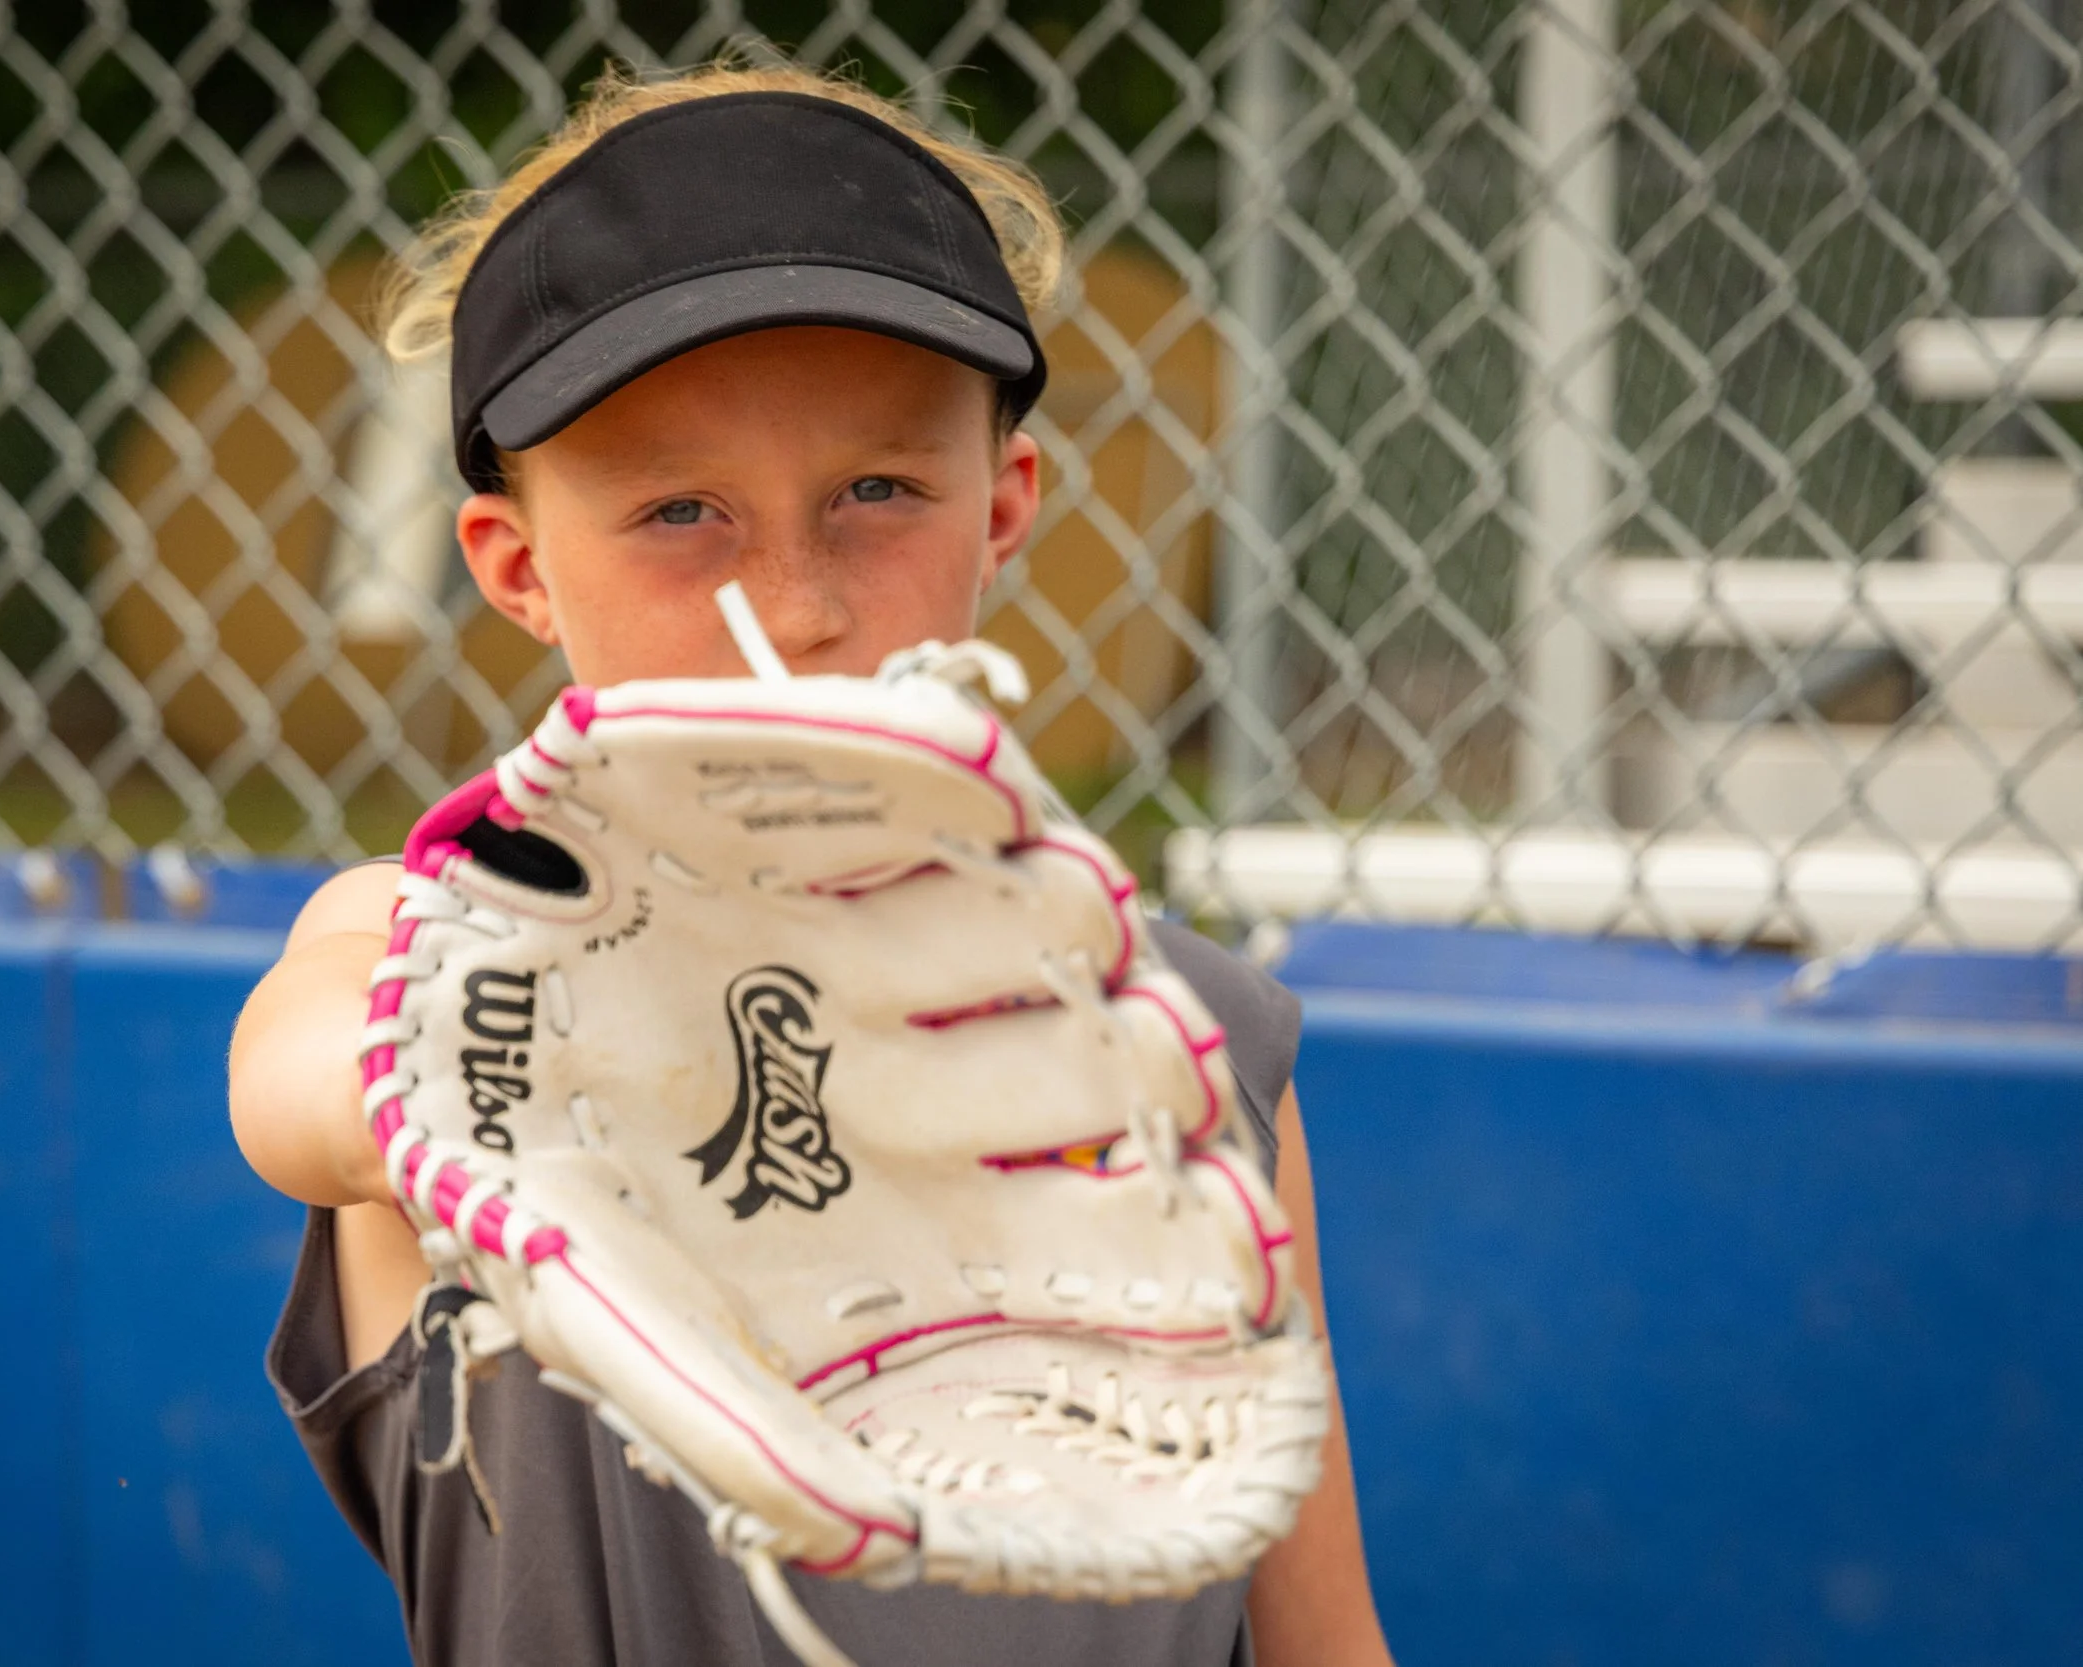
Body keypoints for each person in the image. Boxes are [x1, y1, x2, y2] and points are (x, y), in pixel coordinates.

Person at [229, 59, 1395, 1667]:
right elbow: (298, 1087)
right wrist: (502, 1084)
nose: (794, 603)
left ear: (1004, 507)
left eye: (877, 491)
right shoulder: (449, 974)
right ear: (515, 566)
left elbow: (1327, 1640)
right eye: (680, 511)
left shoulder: (1168, 1038)